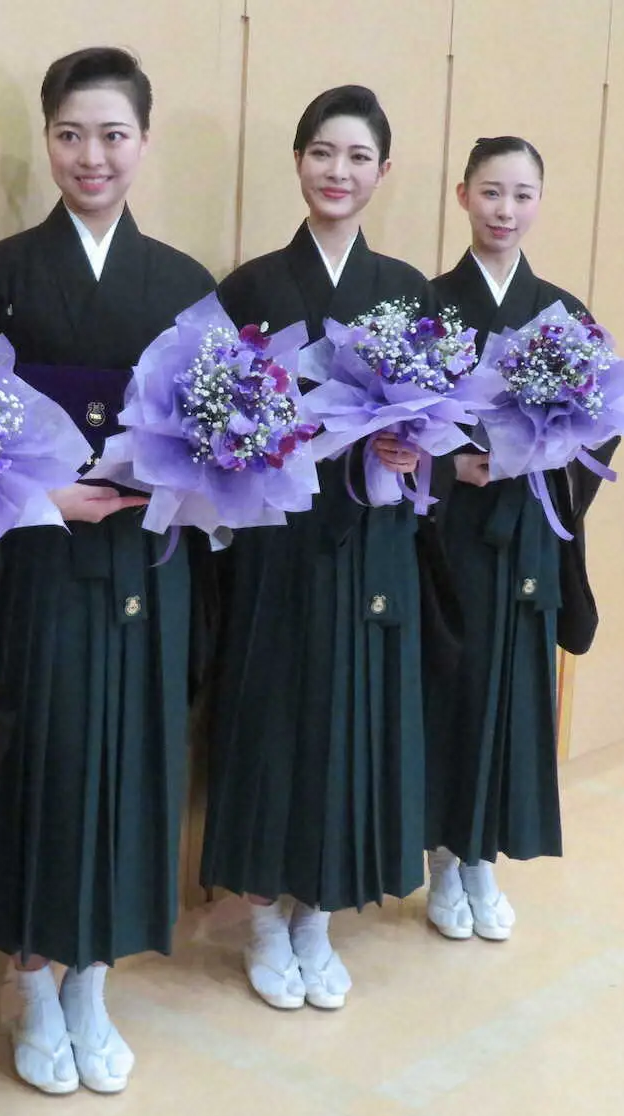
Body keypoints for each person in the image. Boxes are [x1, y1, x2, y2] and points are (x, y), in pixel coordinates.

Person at [0, 47, 214, 1096]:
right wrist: (43, 495)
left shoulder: (185, 286)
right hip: (40, 566)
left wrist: (190, 470)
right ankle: (31, 978)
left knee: (130, 763)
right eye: (70, 135)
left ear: (143, 142)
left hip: (146, 562)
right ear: (47, 141)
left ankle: (95, 980)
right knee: (46, 761)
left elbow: (226, 441)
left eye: (112, 135)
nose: (91, 156)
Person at [200, 85, 429, 1011]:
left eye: (358, 157)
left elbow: (439, 431)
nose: (338, 172)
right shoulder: (249, 288)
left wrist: (413, 450)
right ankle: (262, 915)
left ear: (383, 171)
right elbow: (209, 417)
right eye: (323, 152)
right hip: (273, 540)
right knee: (270, 715)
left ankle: (317, 915)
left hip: (368, 536)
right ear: (297, 160)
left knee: (348, 717)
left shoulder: (405, 292)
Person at [424, 136, 616, 943]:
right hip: (456, 532)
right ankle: (443, 856)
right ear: (462, 195)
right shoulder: (430, 305)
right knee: (456, 682)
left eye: (521, 195)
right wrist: (451, 466)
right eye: (491, 192)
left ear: (538, 203)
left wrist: (553, 447)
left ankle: (483, 858)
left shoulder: (562, 313)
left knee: (515, 687)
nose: (504, 210)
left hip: (530, 526)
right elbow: (403, 424)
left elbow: (601, 424)